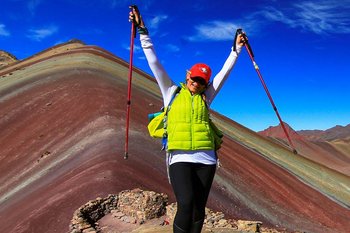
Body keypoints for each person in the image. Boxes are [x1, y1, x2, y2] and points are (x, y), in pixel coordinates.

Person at [129, 6, 246, 233]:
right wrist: (143, 31)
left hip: (206, 157)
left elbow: (223, 74)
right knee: (185, 204)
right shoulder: (171, 91)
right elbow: (154, 63)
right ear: (187, 75)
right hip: (179, 155)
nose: (197, 83)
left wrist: (236, 50)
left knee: (199, 208)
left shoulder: (206, 97)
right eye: (194, 79)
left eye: (202, 81)